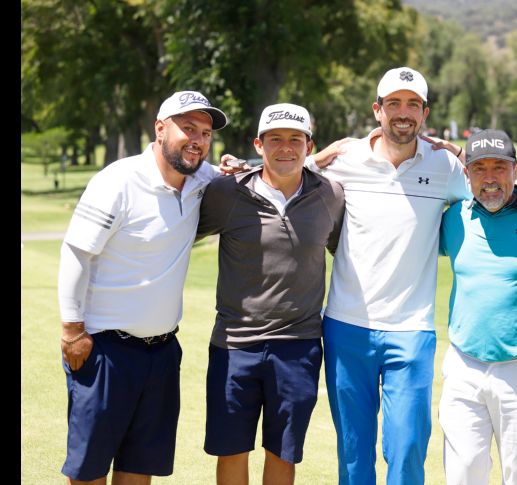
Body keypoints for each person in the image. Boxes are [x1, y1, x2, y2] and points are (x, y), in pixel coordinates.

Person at [57, 90, 229, 483]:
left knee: (139, 470)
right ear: (160, 128)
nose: (198, 140)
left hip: (162, 353)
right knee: (88, 472)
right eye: (188, 128)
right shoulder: (119, 180)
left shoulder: (201, 178)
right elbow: (76, 253)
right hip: (104, 350)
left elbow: (259, 171)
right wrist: (71, 331)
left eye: (204, 133)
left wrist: (316, 158)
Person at [310, 67, 470, 485]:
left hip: (412, 331)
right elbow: (287, 178)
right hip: (346, 326)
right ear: (377, 110)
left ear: (425, 112)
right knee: (353, 452)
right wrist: (315, 157)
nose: (404, 113)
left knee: (406, 450)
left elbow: (490, 192)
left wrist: (460, 151)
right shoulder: (345, 160)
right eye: (394, 103)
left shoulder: (445, 166)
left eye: (413, 104)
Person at [196, 103, 345, 485]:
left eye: (295, 139)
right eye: (275, 139)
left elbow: (341, 249)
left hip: (298, 346)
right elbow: (181, 228)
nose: (285, 148)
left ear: (309, 146)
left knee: (283, 452)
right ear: (258, 145)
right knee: (231, 450)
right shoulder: (226, 193)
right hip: (234, 345)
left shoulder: (330, 194)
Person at [438, 129, 517, 485]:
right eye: (479, 169)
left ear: (516, 170)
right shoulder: (453, 218)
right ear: (467, 173)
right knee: (463, 476)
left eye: (499, 168)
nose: (490, 179)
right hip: (464, 366)